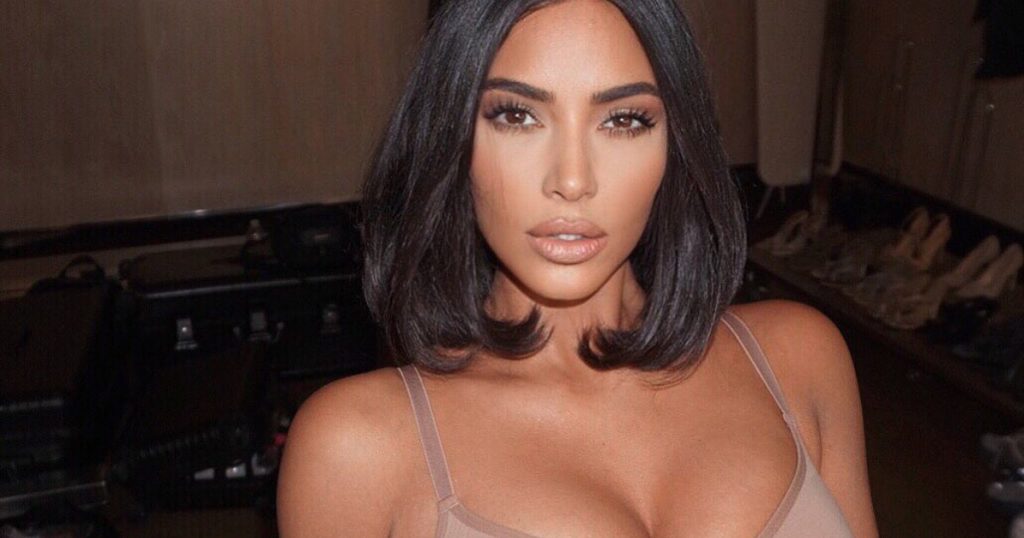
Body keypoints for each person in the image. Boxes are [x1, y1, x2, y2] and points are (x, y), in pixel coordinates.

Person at [277, 0, 878, 536]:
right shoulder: (356, 448)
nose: (572, 180)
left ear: (675, 144)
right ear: (452, 138)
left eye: (623, 120)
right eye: (517, 116)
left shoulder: (800, 357)